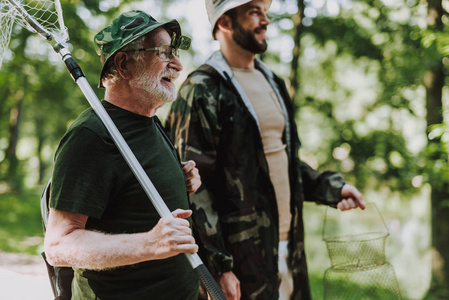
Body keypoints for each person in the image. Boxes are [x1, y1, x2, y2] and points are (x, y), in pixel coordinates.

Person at [165, 1, 366, 299]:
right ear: (225, 23)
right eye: (254, 13)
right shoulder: (201, 89)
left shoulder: (273, 82)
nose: (266, 21)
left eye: (265, 12)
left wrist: (331, 189)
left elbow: (283, 162)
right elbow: (193, 188)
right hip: (241, 262)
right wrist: (219, 266)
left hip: (290, 250)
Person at [44, 11, 201, 300]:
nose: (178, 65)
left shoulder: (150, 122)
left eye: (175, 53)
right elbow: (58, 246)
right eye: (164, 53)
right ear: (124, 64)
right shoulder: (91, 136)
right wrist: (149, 244)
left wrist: (178, 178)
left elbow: (131, 194)